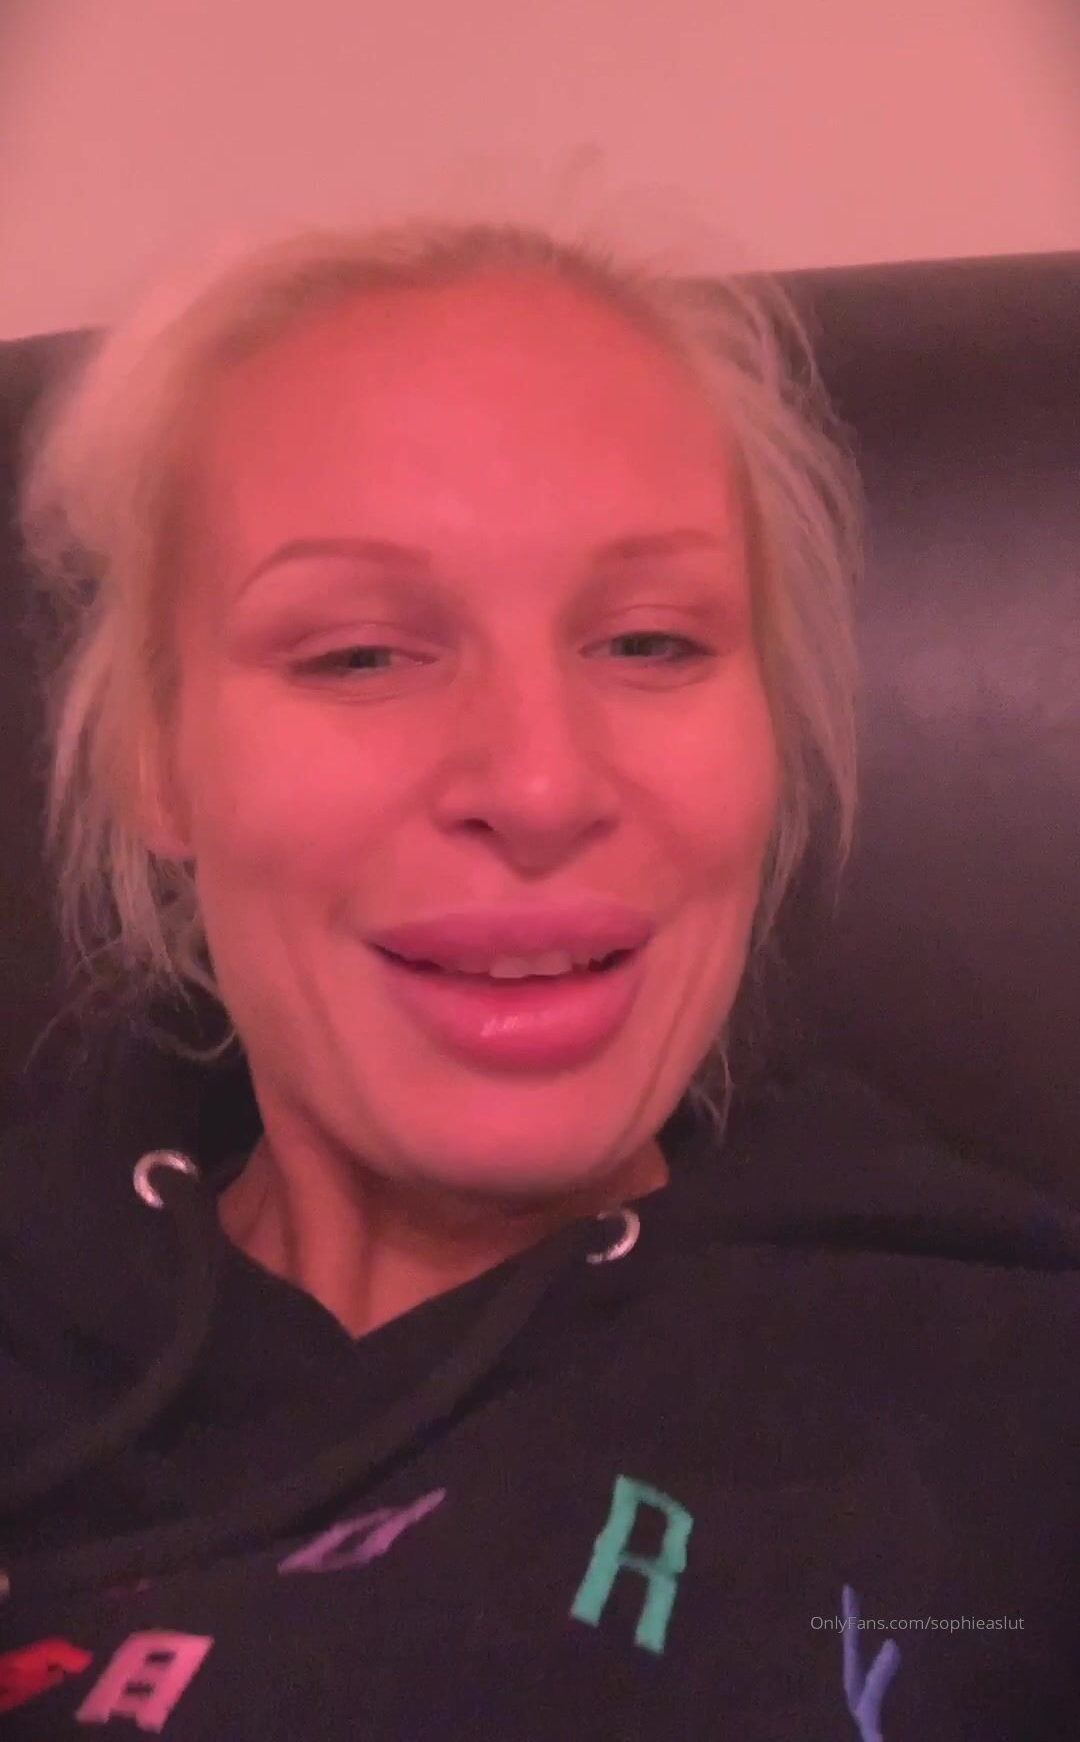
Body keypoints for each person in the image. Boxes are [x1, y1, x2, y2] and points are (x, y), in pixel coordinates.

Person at [1, 218, 1078, 1740]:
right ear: (155, 762)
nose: (540, 781)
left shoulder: (1007, 1420)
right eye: (359, 654)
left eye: (650, 642)